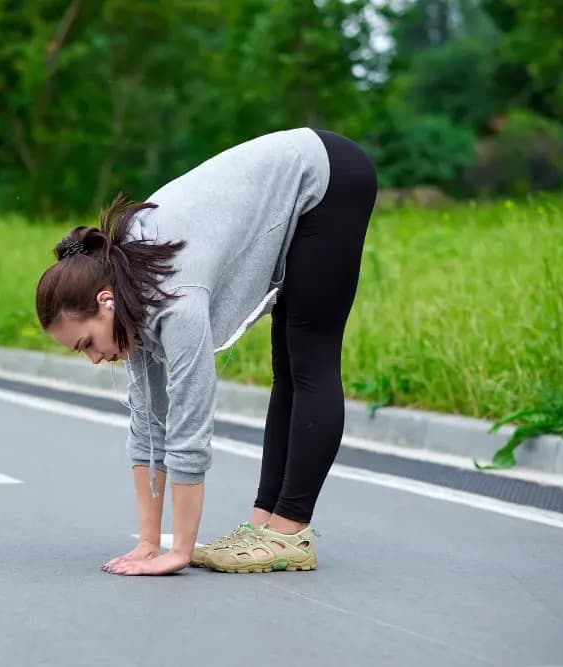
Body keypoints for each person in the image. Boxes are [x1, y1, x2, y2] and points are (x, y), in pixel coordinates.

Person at [35, 128, 377, 576]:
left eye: (86, 344)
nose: (95, 358)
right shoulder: (125, 290)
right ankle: (264, 525)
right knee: (286, 367)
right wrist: (147, 543)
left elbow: (189, 425)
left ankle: (289, 534)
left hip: (328, 178)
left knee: (308, 357)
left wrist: (178, 551)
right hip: (298, 179)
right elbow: (148, 424)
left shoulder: (175, 299)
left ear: (104, 301)